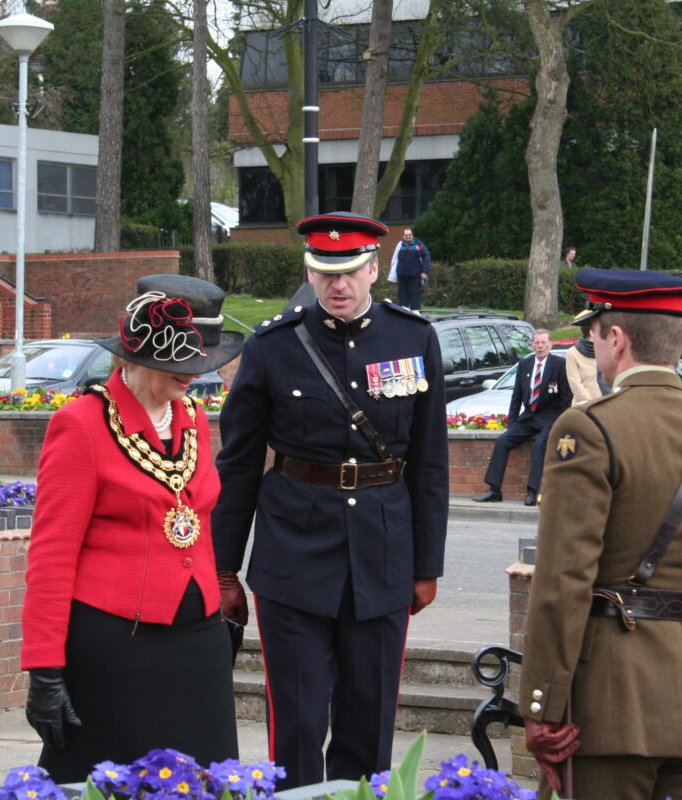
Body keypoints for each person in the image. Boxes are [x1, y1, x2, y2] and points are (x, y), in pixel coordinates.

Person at [212, 211, 449, 789]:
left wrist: (426, 566)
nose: (337, 286)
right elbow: (239, 465)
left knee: (369, 717)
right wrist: (222, 568)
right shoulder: (272, 346)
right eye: (324, 274)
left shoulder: (412, 338)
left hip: (383, 550)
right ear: (309, 272)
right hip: (292, 550)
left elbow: (429, 464)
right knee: (295, 716)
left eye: (349, 273)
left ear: (374, 270)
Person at [519, 268, 682, 800]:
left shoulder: (589, 427)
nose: (593, 347)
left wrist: (540, 706)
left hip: (608, 711)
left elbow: (563, 583)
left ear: (617, 338)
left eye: (594, 336)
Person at [20, 274, 244, 784]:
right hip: (116, 649)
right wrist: (44, 668)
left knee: (203, 786)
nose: (197, 375)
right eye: (186, 363)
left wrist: (222, 593)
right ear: (142, 355)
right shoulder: (80, 425)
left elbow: (199, 522)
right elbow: (51, 556)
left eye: (204, 362)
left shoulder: (190, 417)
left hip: (198, 645)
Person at [472, 330, 572, 506]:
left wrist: (562, 423)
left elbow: (566, 398)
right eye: (537, 343)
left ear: (550, 345)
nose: (540, 346)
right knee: (503, 441)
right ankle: (494, 490)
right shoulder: (524, 364)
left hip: (550, 419)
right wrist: (512, 423)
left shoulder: (560, 365)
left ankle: (532, 492)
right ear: (532, 345)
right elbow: (516, 397)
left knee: (539, 445)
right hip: (528, 418)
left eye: (543, 343)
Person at [389, 228, 431, 311]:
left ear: (412, 236)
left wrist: (425, 271)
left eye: (410, 235)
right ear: (403, 236)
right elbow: (394, 259)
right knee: (402, 299)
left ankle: (416, 317)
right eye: (406, 235)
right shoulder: (400, 245)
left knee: (415, 299)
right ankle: (403, 318)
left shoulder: (418, 244)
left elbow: (426, 256)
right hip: (402, 277)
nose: (408, 236)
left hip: (415, 277)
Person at [564, 326, 604, 405]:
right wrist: (592, 403)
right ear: (592, 332)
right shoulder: (573, 353)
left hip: (607, 404)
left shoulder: (605, 349)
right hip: (584, 406)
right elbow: (575, 384)